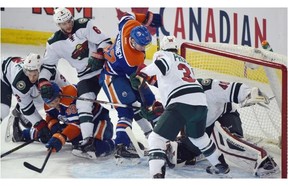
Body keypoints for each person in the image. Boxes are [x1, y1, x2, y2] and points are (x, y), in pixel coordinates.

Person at [130, 35, 230, 178]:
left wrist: (141, 75)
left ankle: (156, 176)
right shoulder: (185, 62)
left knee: (156, 139)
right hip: (200, 103)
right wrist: (159, 110)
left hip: (181, 102)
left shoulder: (164, 55)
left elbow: (161, 64)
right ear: (176, 48)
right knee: (198, 138)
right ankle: (221, 166)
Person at [168, 78, 279, 177]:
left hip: (224, 117)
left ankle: (265, 162)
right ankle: (204, 151)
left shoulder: (205, 87)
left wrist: (250, 93)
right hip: (202, 129)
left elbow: (230, 88)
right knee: (177, 155)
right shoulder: (172, 99)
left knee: (224, 142)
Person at [38, 8, 113, 151]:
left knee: (122, 102)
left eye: (69, 21)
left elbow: (105, 41)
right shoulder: (54, 43)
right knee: (82, 103)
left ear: (72, 18)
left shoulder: (85, 25)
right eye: (63, 24)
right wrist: (43, 82)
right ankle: (87, 141)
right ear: (58, 25)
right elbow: (48, 66)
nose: (67, 25)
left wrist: (99, 54)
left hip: (105, 70)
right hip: (86, 76)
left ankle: (142, 135)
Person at [99, 10, 163, 159]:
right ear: (133, 41)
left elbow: (128, 15)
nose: (144, 49)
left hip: (123, 74)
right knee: (127, 110)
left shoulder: (128, 26)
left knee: (149, 101)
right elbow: (137, 81)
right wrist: (146, 101)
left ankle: (155, 137)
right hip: (112, 78)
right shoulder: (130, 59)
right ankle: (121, 146)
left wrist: (148, 18)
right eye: (142, 46)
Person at [15, 82, 115, 159]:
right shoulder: (48, 105)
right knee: (47, 134)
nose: (54, 105)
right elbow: (50, 118)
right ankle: (24, 134)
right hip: (77, 127)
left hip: (99, 122)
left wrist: (61, 137)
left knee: (94, 147)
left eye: (56, 101)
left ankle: (117, 143)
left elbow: (77, 125)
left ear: (60, 94)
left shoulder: (70, 98)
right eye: (50, 103)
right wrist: (53, 126)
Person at [1, 53, 69, 143]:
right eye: (29, 74)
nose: (31, 79)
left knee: (41, 99)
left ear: (40, 71)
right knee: (3, 110)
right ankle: (20, 112)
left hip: (13, 71)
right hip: (2, 75)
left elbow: (67, 90)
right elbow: (26, 107)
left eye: (34, 75)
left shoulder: (51, 72)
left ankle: (19, 112)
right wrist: (41, 126)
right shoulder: (20, 82)